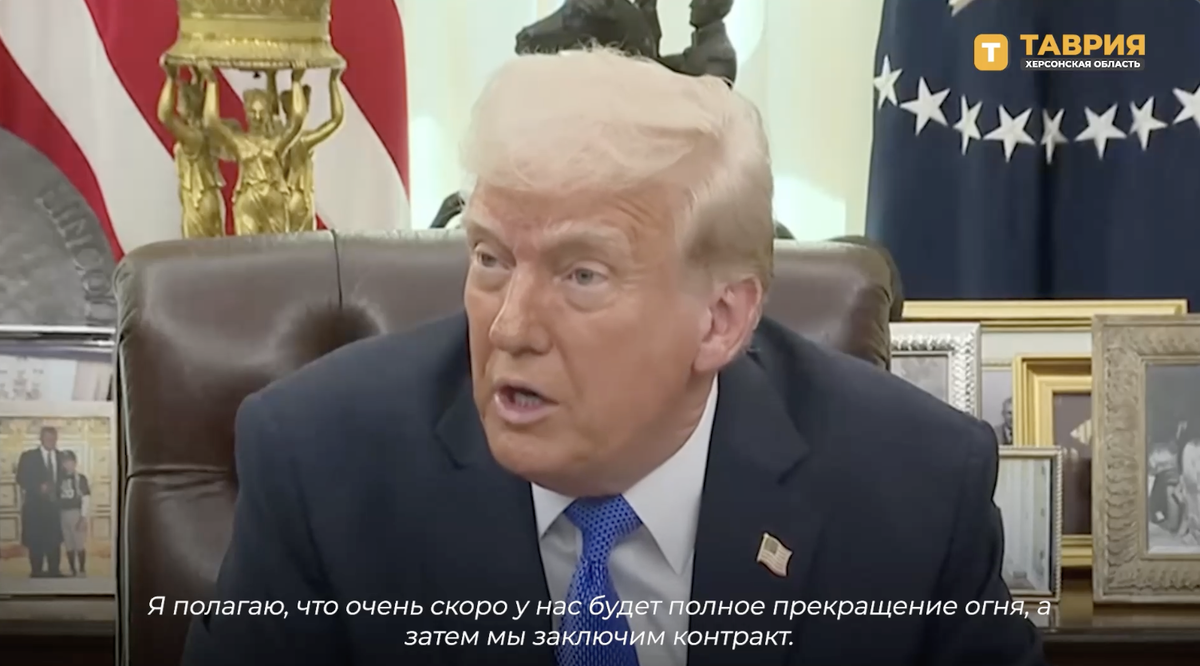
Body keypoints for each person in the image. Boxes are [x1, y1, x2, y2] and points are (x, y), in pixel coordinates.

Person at [182, 48, 1044, 666]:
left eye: (582, 274)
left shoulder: (914, 490)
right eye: (490, 258)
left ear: (720, 320)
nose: (511, 327)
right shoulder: (321, 463)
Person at [15, 426, 65, 578]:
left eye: (53, 438)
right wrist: (38, 487)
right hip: (34, 506)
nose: (51, 441)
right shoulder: (28, 456)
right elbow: (21, 478)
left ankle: (54, 570)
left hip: (54, 506)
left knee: (54, 538)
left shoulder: (62, 456)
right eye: (48, 438)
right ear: (41, 439)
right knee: (36, 537)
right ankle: (36, 570)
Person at [56, 450, 91, 577]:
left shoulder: (80, 478)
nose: (67, 465)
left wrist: (83, 517)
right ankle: (72, 569)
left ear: (75, 463)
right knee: (68, 543)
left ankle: (82, 569)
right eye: (64, 462)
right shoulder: (59, 478)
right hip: (62, 513)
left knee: (79, 542)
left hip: (76, 512)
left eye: (70, 462)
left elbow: (86, 498)